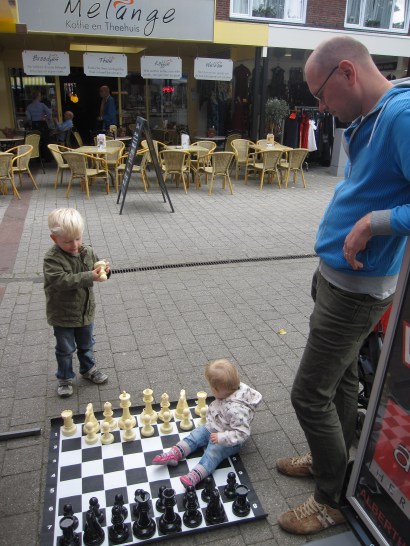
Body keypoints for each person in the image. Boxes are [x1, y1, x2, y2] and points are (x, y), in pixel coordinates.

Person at [276, 36, 410, 536]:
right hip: (339, 281)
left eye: (320, 94)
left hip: (355, 291)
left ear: (348, 72)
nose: (321, 107)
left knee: (308, 394)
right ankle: (329, 458)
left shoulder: (401, 117)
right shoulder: (374, 115)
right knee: (342, 379)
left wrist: (374, 223)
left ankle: (331, 498)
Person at [152, 358, 262, 488]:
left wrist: (221, 437)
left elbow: (242, 433)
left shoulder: (236, 410)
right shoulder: (231, 388)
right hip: (214, 426)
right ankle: (175, 453)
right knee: (196, 435)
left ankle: (196, 475)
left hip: (228, 440)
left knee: (212, 452)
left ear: (216, 390)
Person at [43, 208, 110, 398]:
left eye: (78, 238)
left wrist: (104, 270)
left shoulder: (87, 251)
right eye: (67, 241)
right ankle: (65, 377)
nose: (74, 245)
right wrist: (90, 276)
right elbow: (61, 281)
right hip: (62, 314)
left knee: (87, 343)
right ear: (54, 239)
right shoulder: (52, 258)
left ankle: (88, 369)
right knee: (65, 349)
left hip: (85, 311)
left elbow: (96, 269)